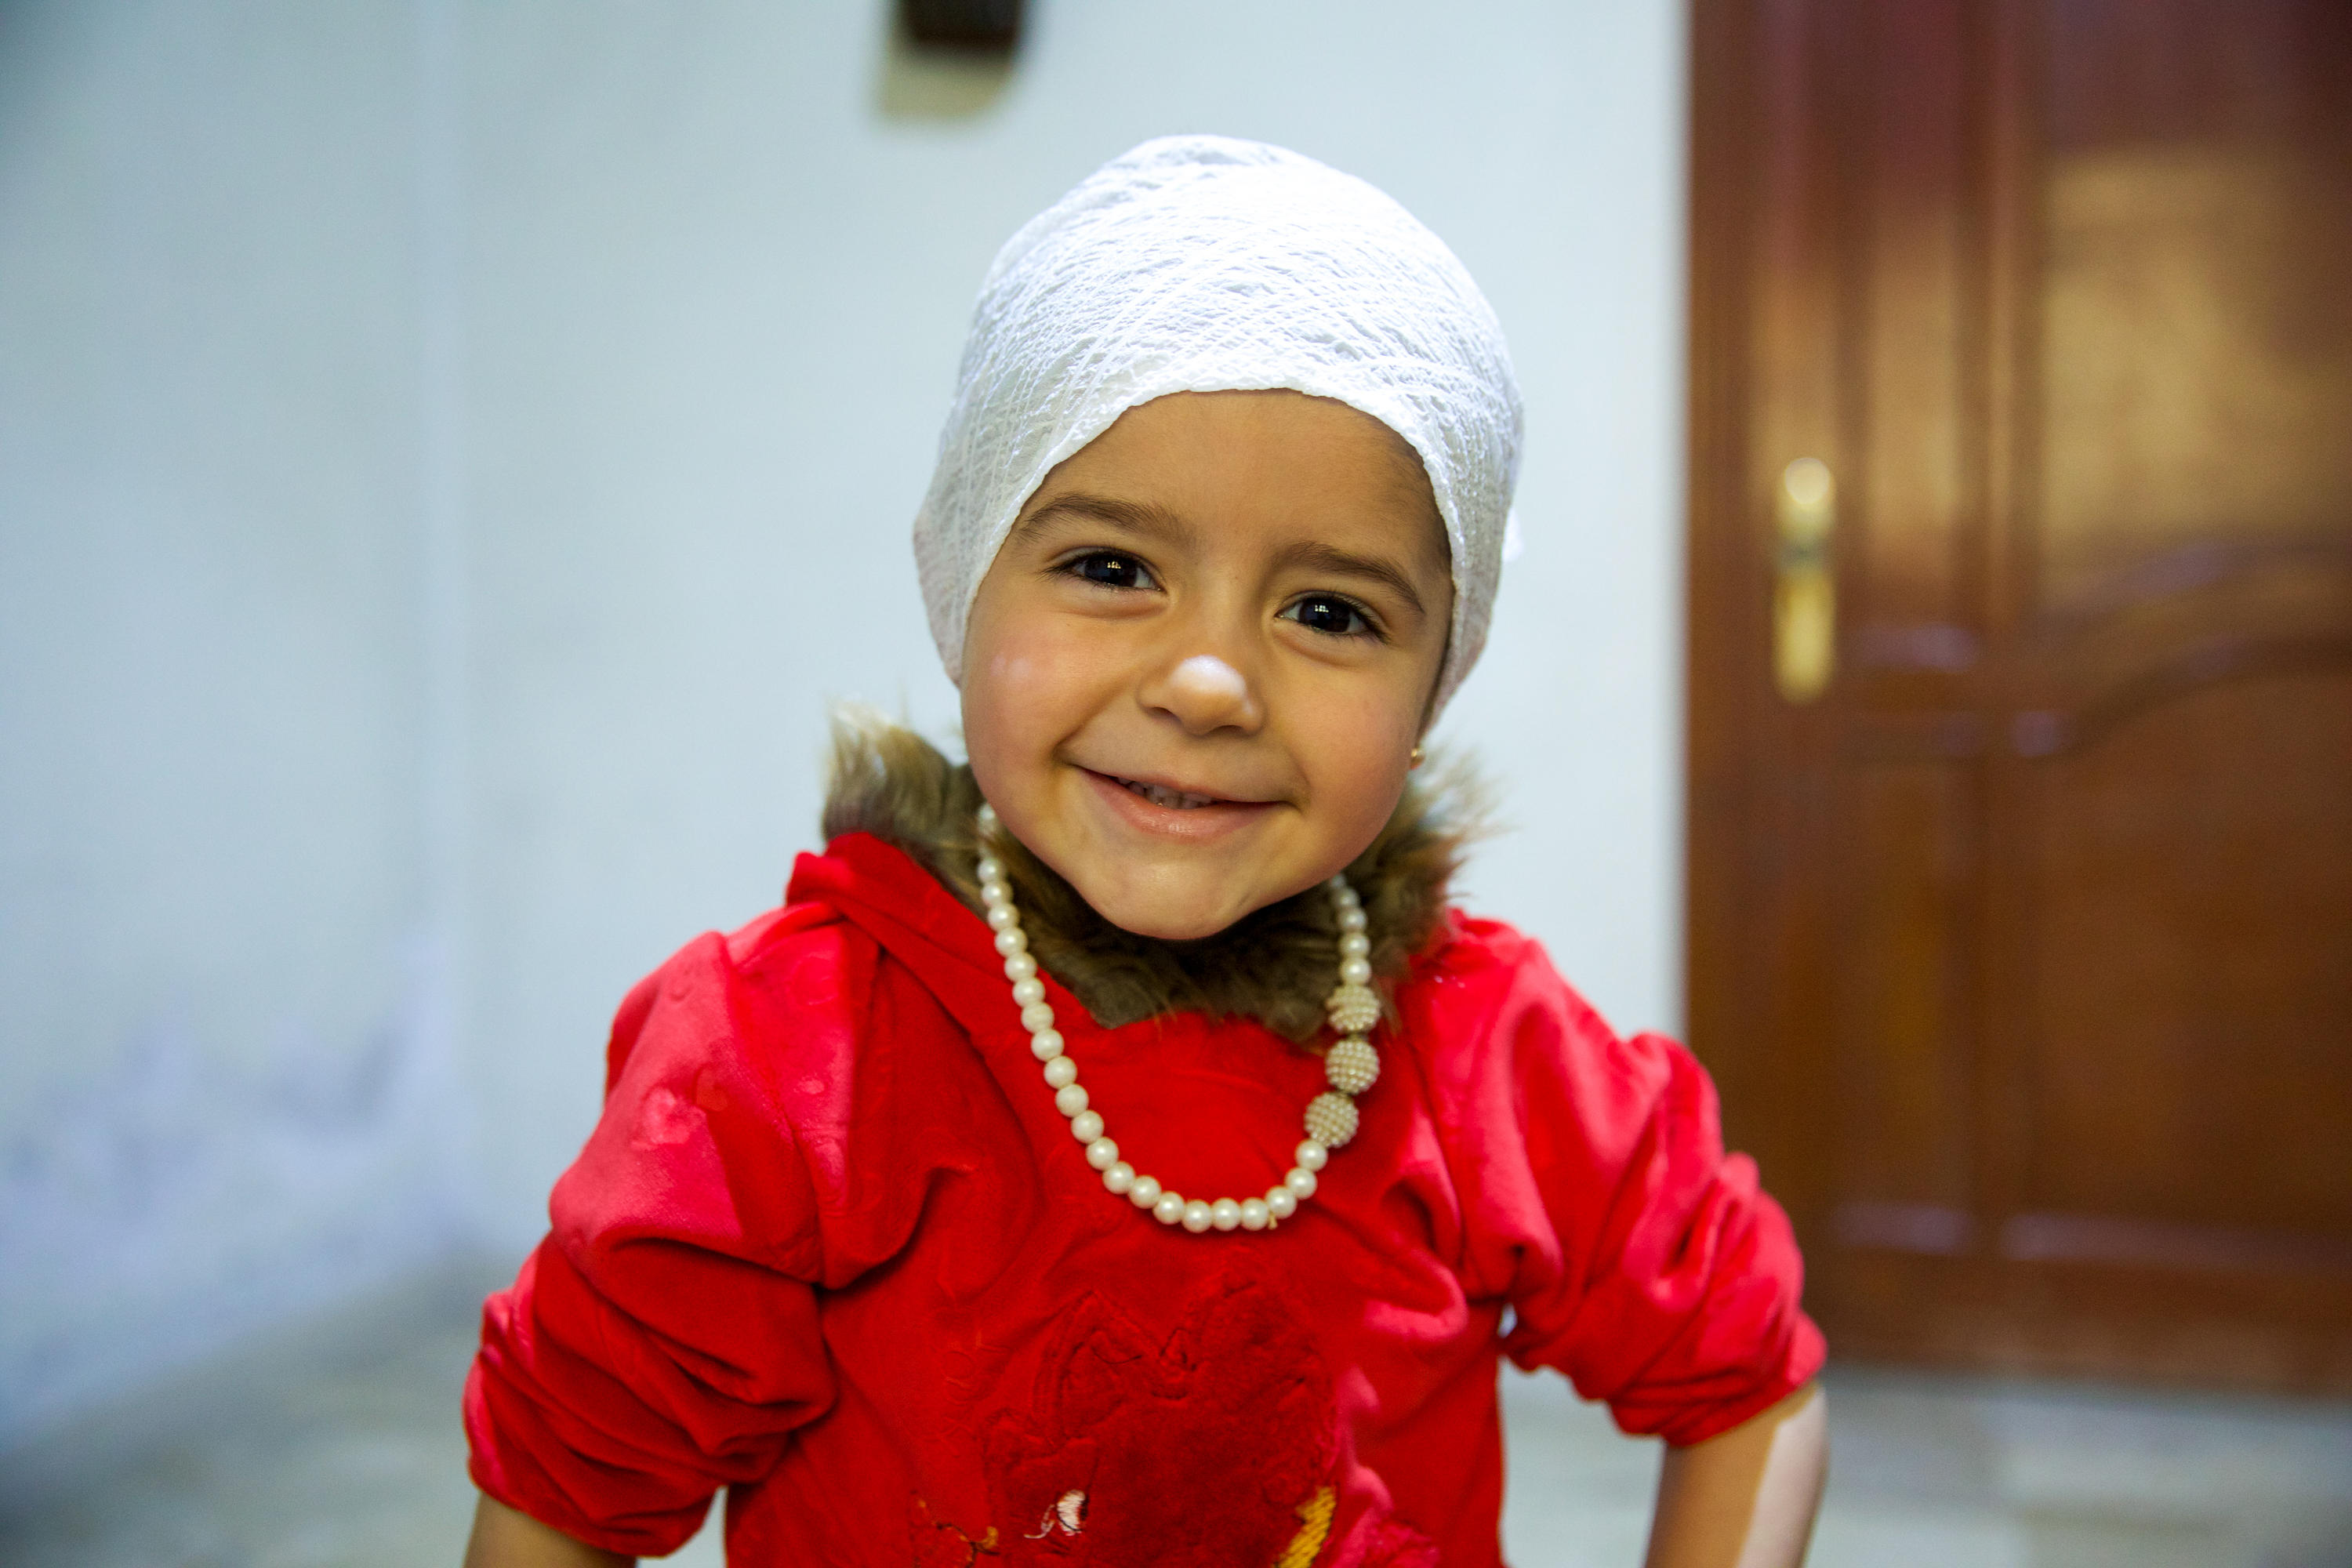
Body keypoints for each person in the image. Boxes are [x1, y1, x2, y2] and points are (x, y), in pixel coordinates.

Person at [460, 136, 1827, 1568]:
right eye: (1112, 570)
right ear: (961, 581)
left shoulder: (1485, 1054)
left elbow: (1754, 1386)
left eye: (1332, 613)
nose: (1209, 682)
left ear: (1438, 685)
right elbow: (565, 1501)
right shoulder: (789, 1067)